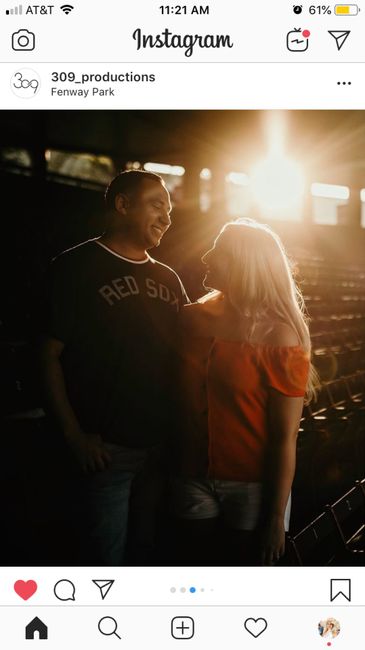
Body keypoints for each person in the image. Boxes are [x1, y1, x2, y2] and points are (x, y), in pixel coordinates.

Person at [41, 169, 188, 565]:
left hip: (159, 452)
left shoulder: (169, 278)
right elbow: (46, 355)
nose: (167, 217)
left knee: (147, 556)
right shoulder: (75, 266)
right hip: (105, 453)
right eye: (157, 204)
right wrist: (74, 437)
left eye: (170, 210)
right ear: (122, 205)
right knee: (104, 565)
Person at [173, 218, 318, 566]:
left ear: (243, 264)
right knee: (194, 577)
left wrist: (274, 519)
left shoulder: (280, 336)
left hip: (253, 487)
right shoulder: (191, 318)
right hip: (189, 474)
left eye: (219, 252)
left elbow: (285, 438)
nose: (206, 257)